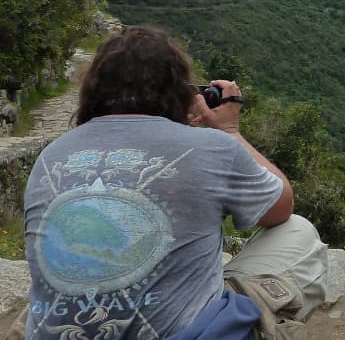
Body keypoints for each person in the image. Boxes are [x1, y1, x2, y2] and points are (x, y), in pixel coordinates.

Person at [20, 26, 327, 339]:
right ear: (181, 91)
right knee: (298, 231)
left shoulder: (52, 155)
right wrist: (230, 131)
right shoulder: (211, 146)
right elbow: (280, 208)